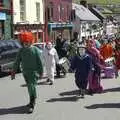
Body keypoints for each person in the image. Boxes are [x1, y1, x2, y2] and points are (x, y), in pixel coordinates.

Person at [11, 31, 43, 113]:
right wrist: (13, 72)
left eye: (27, 42)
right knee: (30, 87)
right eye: (24, 42)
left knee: (31, 86)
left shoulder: (35, 50)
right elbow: (17, 62)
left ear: (30, 41)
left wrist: (41, 72)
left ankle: (32, 104)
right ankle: (32, 99)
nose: (25, 44)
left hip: (33, 72)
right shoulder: (21, 50)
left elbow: (40, 62)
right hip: (25, 73)